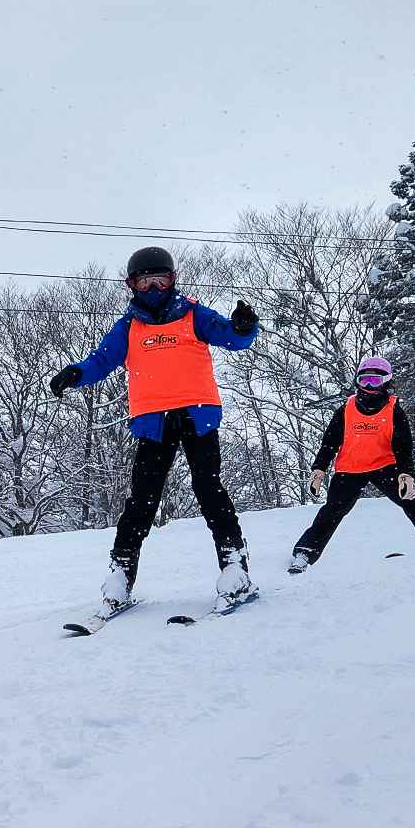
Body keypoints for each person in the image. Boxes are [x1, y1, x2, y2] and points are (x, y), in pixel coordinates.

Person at [50, 246, 260, 613]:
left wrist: (245, 326)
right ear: (132, 285)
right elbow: (102, 361)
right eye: (144, 281)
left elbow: (233, 338)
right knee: (142, 502)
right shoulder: (128, 327)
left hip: (197, 415)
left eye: (159, 279)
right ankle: (120, 579)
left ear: (172, 279)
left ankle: (235, 571)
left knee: (209, 490)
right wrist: (76, 373)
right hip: (153, 421)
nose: (152, 288)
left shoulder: (193, 315)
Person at [288, 355, 415, 573]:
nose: (368, 386)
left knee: (411, 501)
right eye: (364, 380)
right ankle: (304, 552)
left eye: (375, 381)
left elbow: (403, 445)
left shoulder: (394, 410)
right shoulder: (346, 409)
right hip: (350, 468)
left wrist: (406, 475)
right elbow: (329, 442)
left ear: (386, 382)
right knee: (332, 511)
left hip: (384, 466)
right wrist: (319, 469)